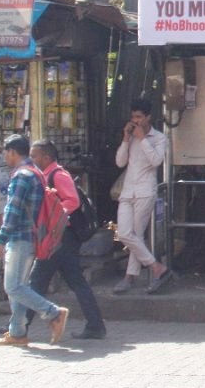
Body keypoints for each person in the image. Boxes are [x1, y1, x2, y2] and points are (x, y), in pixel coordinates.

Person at [25, 139, 107, 340]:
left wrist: (53, 217)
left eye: (35, 155)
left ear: (46, 157)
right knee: (74, 282)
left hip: (61, 237)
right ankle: (96, 326)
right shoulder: (47, 175)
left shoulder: (58, 175)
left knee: (35, 283)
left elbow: (72, 201)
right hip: (60, 237)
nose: (32, 159)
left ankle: (19, 328)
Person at [0, 134, 70, 346]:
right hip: (32, 237)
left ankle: (53, 313)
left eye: (5, 152)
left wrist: (1, 240)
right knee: (19, 285)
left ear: (12, 152)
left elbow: (13, 210)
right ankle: (18, 333)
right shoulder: (36, 173)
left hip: (19, 237)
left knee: (13, 287)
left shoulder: (21, 176)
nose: (4, 157)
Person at [113, 98, 172, 295]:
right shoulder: (130, 137)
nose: (135, 121)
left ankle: (129, 277)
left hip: (146, 190)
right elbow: (120, 162)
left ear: (148, 117)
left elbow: (156, 161)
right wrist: (125, 139)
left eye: (139, 117)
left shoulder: (159, 138)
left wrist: (142, 139)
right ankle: (156, 267)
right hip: (128, 190)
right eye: (133, 117)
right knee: (125, 234)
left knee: (134, 235)